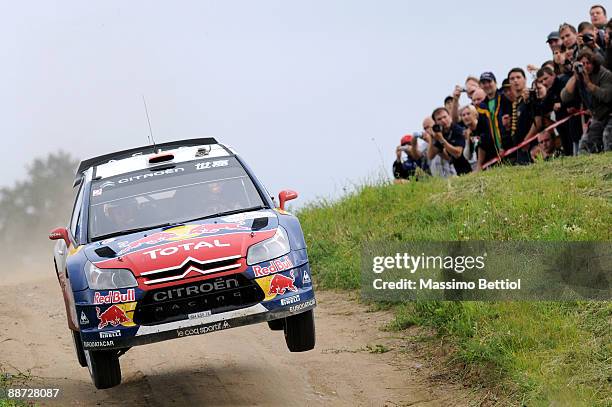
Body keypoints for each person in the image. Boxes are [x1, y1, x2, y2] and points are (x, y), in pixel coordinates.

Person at [561, 48, 612, 153]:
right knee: (585, 146)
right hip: (598, 116)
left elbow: (607, 97)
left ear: (594, 63)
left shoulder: (604, 74)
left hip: (610, 113)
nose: (585, 66)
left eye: (588, 63)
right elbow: (565, 97)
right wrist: (575, 77)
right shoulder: (579, 76)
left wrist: (589, 84)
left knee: (608, 137)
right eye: (582, 63)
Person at [476, 71, 514, 161]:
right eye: (484, 83)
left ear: (495, 82)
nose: (487, 85)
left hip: (511, 147)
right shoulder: (481, 107)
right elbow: (482, 132)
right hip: (494, 153)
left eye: (489, 82)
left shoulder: (504, 98)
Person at [427, 107, 472, 175]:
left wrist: (441, 139)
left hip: (472, 166)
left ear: (449, 117)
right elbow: (430, 156)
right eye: (439, 119)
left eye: (445, 117)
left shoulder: (457, 129)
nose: (443, 120)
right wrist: (431, 138)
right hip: (460, 171)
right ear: (435, 122)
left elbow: (458, 154)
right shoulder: (440, 133)